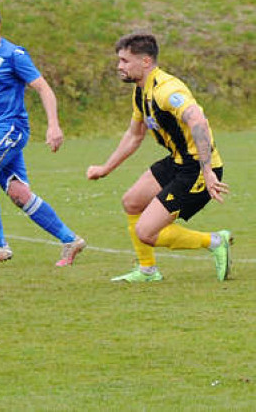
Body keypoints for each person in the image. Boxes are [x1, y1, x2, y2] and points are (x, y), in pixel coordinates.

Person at [86, 33, 232, 283]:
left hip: (197, 168)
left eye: (124, 60)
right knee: (132, 201)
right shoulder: (141, 92)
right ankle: (148, 271)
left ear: (145, 61)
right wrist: (105, 168)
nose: (119, 66)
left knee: (146, 232)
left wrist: (207, 171)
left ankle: (215, 241)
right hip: (177, 161)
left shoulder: (167, 89)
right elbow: (134, 135)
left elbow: (197, 121)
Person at [0, 4, 86, 267]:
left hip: (10, 128)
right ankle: (70, 240)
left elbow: (44, 88)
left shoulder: (13, 54)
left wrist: (53, 125)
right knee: (19, 193)